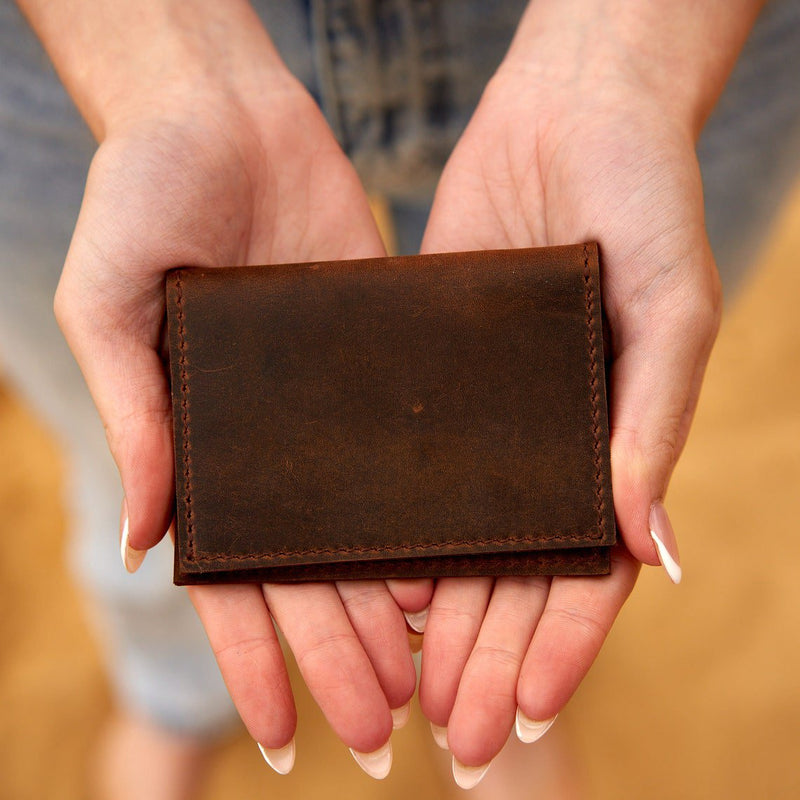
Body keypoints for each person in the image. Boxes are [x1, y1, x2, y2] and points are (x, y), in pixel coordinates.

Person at [2, 0, 799, 797]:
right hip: (97, 47)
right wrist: (158, 63)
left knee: (578, 426)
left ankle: (509, 706)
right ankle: (174, 693)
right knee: (145, 461)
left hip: (657, 32)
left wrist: (628, 58)